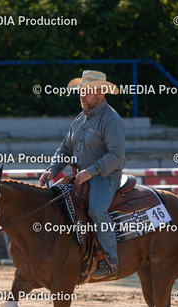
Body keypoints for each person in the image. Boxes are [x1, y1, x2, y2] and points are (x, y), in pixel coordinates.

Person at [39, 70, 125, 278]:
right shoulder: (80, 118)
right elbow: (65, 149)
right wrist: (52, 170)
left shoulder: (111, 119)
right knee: (54, 203)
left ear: (101, 93)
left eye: (87, 92)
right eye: (81, 91)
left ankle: (110, 261)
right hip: (80, 176)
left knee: (96, 211)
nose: (81, 96)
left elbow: (116, 156)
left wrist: (89, 172)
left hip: (104, 177)